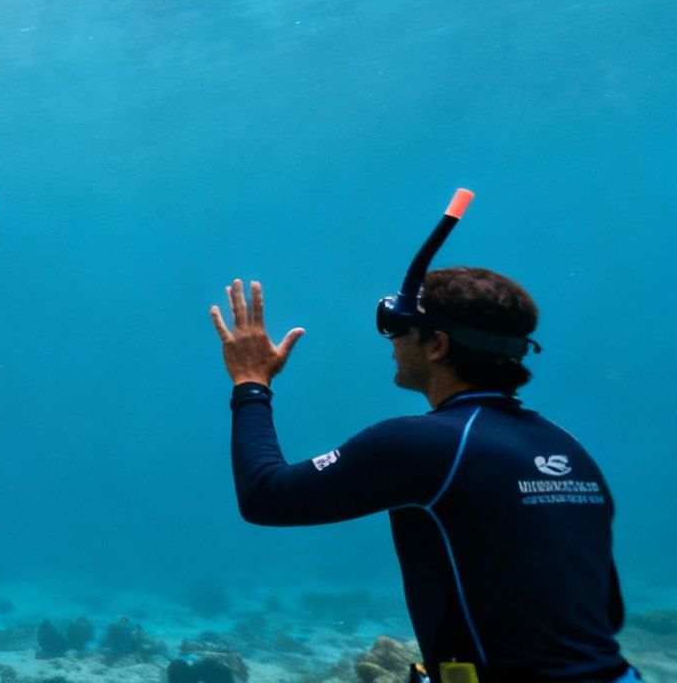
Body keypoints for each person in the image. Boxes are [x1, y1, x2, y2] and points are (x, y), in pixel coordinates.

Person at [210, 248, 635, 683]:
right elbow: (607, 612)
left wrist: (250, 383)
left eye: (397, 327)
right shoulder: (569, 450)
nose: (391, 342)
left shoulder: (420, 443)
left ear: (437, 344)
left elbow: (265, 496)